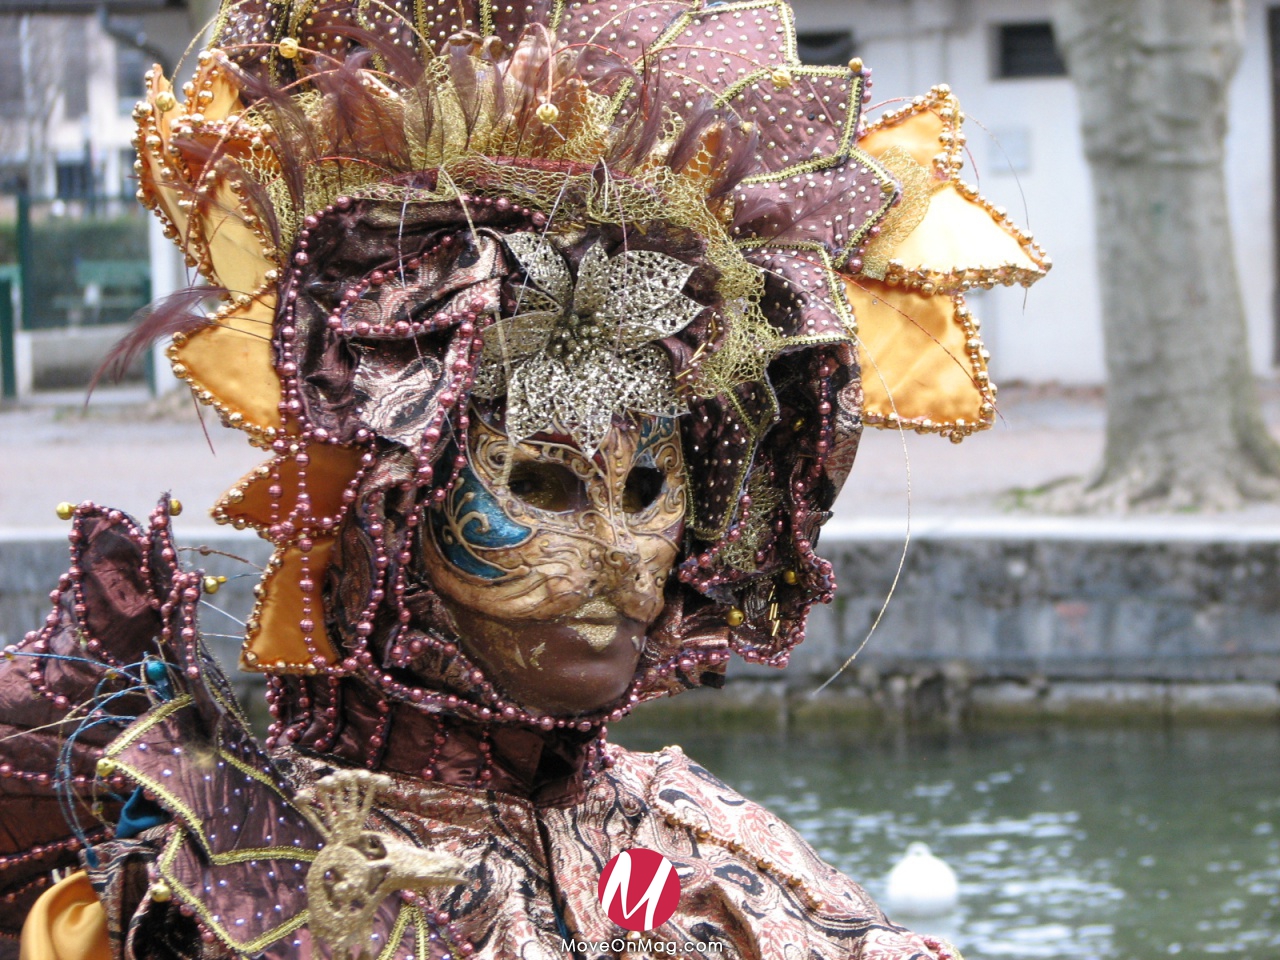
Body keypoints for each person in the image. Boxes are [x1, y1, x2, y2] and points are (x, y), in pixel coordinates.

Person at [0, 1, 1047, 957]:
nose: (616, 555)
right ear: (386, 508)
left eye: (648, 491)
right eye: (541, 485)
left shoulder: (692, 853)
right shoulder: (246, 879)